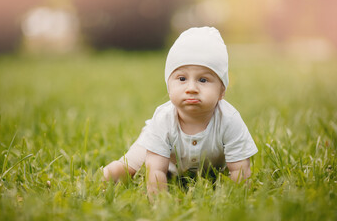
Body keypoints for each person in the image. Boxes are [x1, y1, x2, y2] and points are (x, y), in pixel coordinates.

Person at [102, 27, 258, 196]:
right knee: (131, 165)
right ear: (169, 87)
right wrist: (161, 203)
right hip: (160, 149)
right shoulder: (162, 120)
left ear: (222, 91)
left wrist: (237, 199)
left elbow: (240, 170)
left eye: (203, 80)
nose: (191, 88)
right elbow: (155, 170)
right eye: (182, 79)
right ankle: (111, 175)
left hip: (208, 164)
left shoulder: (230, 120)